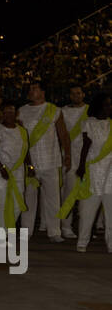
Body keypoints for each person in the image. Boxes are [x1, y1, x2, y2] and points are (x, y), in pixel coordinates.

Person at [61, 92, 112, 253]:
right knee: (87, 210)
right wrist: (81, 167)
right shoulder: (88, 123)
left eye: (110, 105)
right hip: (93, 171)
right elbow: (85, 146)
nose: (109, 108)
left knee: (111, 212)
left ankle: (111, 244)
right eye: (106, 104)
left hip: (111, 171)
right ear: (98, 106)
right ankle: (82, 242)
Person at [18, 82, 68, 242]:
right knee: (29, 198)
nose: (31, 91)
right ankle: (26, 232)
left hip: (51, 161)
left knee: (53, 198)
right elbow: (18, 136)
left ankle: (54, 232)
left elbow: (63, 135)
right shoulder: (22, 111)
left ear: (43, 92)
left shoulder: (54, 110)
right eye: (30, 89)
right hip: (30, 161)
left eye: (35, 88)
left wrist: (68, 156)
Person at [0, 101, 29, 229]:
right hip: (1, 170)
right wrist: (1, 167)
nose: (8, 115)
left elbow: (25, 150)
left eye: (11, 112)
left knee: (18, 202)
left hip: (18, 169)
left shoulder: (22, 131)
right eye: (5, 112)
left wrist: (30, 166)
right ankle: (1, 232)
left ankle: (7, 228)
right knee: (2, 202)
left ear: (16, 113)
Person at [59, 84, 89, 239]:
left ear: (83, 94)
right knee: (69, 193)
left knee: (85, 194)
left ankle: (85, 227)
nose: (75, 96)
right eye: (72, 93)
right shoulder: (63, 111)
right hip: (69, 158)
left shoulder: (89, 111)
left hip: (87, 160)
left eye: (78, 93)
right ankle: (66, 226)